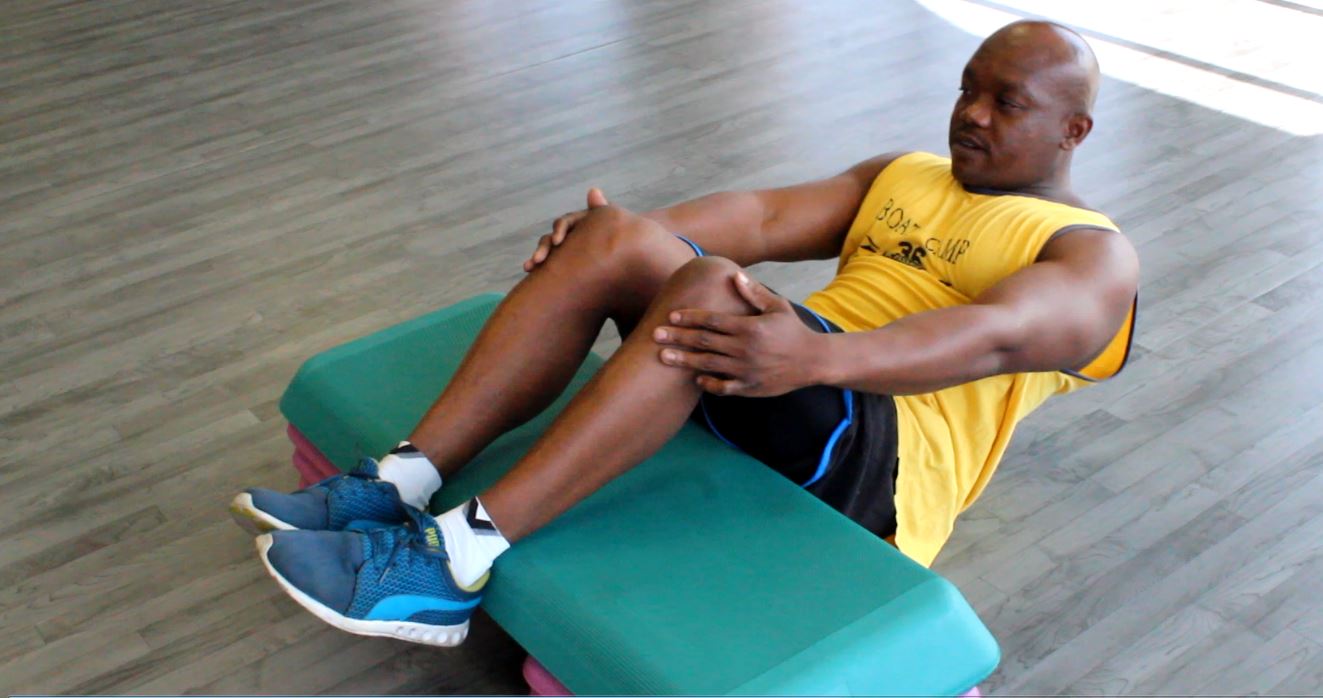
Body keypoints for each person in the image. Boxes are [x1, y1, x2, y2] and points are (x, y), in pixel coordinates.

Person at [230, 20, 1139, 647]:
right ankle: (398, 483)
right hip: (786, 374)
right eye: (967, 89)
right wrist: (617, 238)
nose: (971, 113)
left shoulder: (1091, 257)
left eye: (1006, 103)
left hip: (879, 463)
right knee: (618, 237)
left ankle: (449, 566)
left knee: (707, 287)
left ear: (1074, 129)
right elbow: (761, 214)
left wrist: (819, 355)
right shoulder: (906, 175)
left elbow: (993, 334)